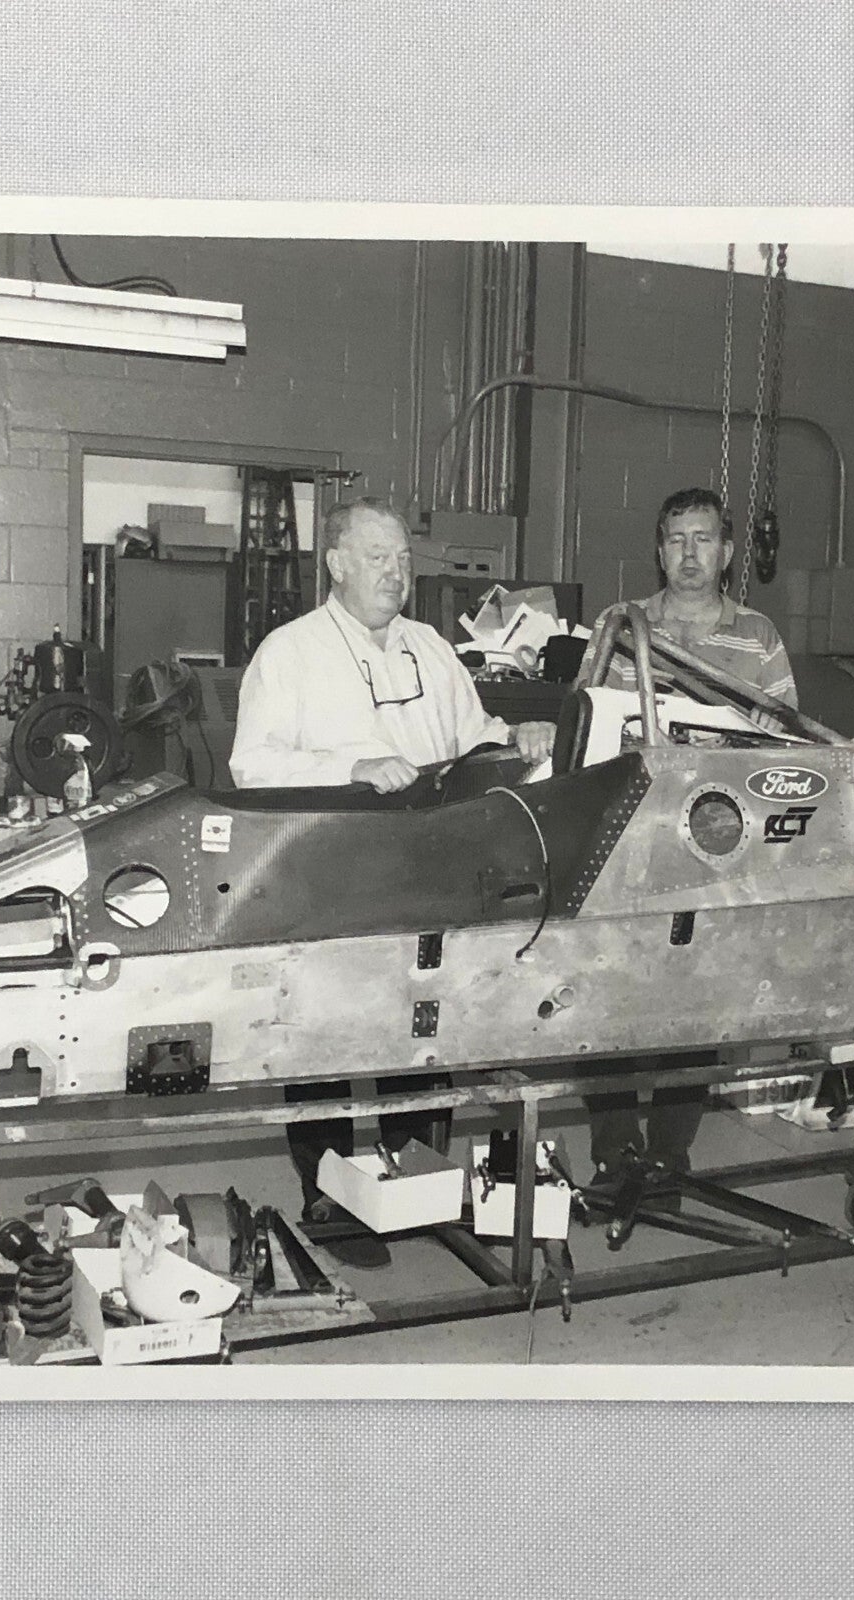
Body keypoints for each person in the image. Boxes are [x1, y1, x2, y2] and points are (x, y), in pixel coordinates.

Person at [231, 497, 555, 1264]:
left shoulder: (432, 649)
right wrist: (352, 765)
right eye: (377, 556)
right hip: (336, 871)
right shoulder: (290, 652)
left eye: (403, 558)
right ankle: (327, 1191)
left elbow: (474, 739)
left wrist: (518, 735)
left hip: (433, 867)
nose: (395, 572)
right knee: (331, 1033)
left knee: (425, 1026)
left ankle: (416, 1174)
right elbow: (254, 765)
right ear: (336, 563)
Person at [584, 486, 798, 1190]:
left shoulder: (759, 637)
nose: (689, 554)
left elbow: (789, 741)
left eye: (703, 539)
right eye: (677, 539)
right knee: (609, 993)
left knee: (699, 1002)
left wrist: (767, 739)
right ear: (659, 548)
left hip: (719, 846)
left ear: (728, 552)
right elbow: (589, 721)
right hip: (631, 839)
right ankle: (616, 1150)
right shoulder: (621, 626)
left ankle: (671, 1154)